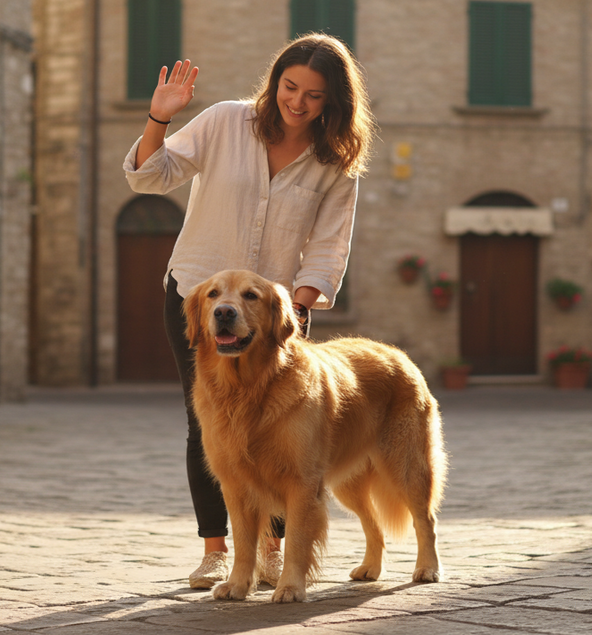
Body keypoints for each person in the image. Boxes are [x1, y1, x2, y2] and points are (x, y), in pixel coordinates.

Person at [123, 33, 375, 590]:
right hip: (199, 295)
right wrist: (158, 119)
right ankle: (217, 551)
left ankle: (271, 551)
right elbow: (148, 176)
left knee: (284, 428)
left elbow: (331, 245)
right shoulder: (224, 122)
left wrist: (299, 310)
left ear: (333, 101)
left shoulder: (335, 162)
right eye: (289, 87)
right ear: (274, 83)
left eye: (313, 95)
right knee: (207, 422)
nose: (297, 102)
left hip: (273, 318)